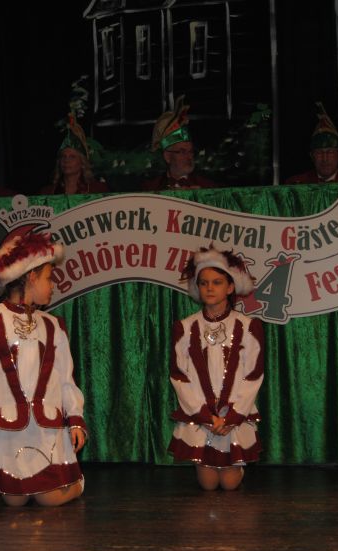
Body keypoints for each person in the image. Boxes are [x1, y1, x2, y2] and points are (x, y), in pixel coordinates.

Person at [0, 232, 87, 506]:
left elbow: (66, 379)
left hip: (46, 429)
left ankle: (76, 483)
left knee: (48, 499)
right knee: (14, 502)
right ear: (31, 277)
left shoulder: (54, 326)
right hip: (8, 428)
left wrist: (75, 419)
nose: (53, 285)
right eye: (49, 278)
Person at [167, 246, 264, 491]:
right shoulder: (185, 327)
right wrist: (204, 416)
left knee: (229, 485)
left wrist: (232, 417)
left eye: (217, 282)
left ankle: (236, 466)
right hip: (203, 419)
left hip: (232, 417)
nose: (210, 288)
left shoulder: (248, 326)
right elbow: (179, 376)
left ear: (230, 288)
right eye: (204, 283)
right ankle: (210, 460)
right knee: (208, 485)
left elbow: (253, 375)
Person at [140, 96, 219, 191]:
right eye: (182, 151)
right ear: (167, 156)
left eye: (191, 151)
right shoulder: (150, 188)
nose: (189, 157)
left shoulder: (208, 187)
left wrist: (200, 196)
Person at [285, 102, 338, 184]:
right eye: (319, 152)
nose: (325, 159)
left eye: (330, 152)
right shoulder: (296, 185)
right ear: (312, 156)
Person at [39, 113, 109, 195]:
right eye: (63, 156)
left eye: (72, 157)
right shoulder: (47, 192)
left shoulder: (98, 190)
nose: (66, 160)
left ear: (82, 162)